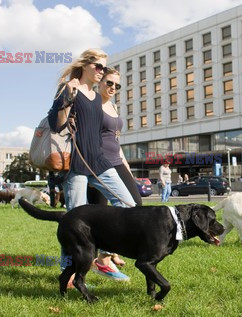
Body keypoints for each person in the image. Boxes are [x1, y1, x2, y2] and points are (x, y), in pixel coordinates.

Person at [48, 48, 136, 285]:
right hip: (75, 163)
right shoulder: (69, 88)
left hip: (98, 161)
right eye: (98, 66)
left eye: (104, 67)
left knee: (128, 204)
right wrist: (67, 97)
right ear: (85, 65)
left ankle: (103, 256)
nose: (101, 71)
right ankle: (69, 272)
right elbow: (55, 125)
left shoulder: (97, 98)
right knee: (74, 223)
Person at [87, 67, 142, 272]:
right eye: (109, 83)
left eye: (117, 85)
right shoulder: (91, 104)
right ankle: (97, 260)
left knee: (134, 205)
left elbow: (115, 139)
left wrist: (125, 163)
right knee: (98, 214)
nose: (113, 88)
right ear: (100, 81)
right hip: (98, 164)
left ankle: (107, 255)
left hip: (117, 162)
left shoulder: (113, 106)